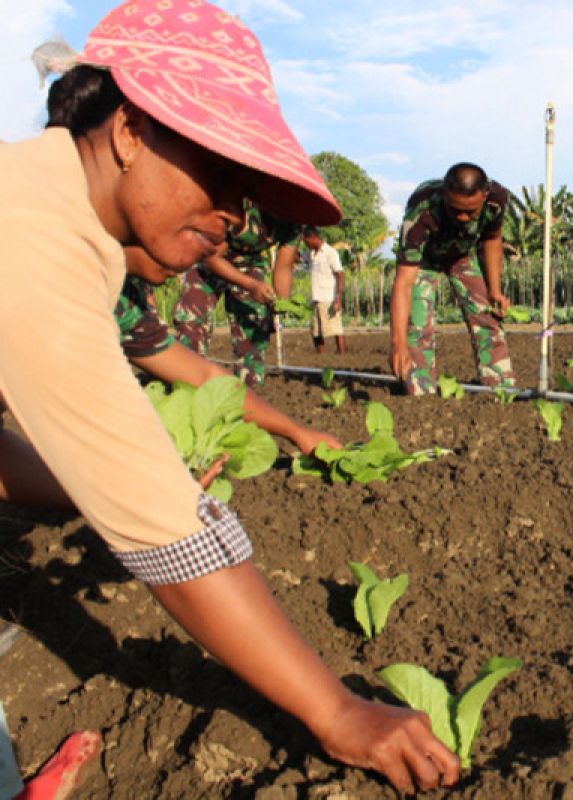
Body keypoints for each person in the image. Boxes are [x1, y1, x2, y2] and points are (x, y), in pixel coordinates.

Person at [2, 2, 459, 794]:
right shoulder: (32, 236)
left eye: (247, 193)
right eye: (223, 174)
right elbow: (166, 531)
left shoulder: (44, 210)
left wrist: (82, 488)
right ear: (130, 130)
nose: (234, 216)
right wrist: (339, 712)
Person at [120, 247, 343, 455]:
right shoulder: (105, 289)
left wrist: (296, 432)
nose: (188, 253)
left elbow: (205, 376)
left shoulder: (129, 311)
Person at [388, 163, 516, 394]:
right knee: (417, 327)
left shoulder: (497, 200)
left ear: (485, 196)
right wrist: (398, 343)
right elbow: (404, 282)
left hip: (463, 255)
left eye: (471, 212)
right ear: (445, 195)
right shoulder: (421, 212)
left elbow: (492, 239)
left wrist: (494, 290)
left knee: (488, 316)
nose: (464, 217)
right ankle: (420, 391)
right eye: (456, 210)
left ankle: (501, 390)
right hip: (424, 261)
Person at [172, 199, 300, 386]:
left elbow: (283, 268)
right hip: (208, 259)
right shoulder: (244, 207)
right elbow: (212, 258)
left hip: (249, 264)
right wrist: (251, 285)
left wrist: (281, 302)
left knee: (255, 324)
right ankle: (185, 386)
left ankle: (249, 392)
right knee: (191, 323)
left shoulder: (294, 224)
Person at [303, 226, 347, 354]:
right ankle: (320, 358)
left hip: (329, 297)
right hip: (316, 297)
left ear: (313, 238)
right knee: (316, 331)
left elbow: (340, 274)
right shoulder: (311, 254)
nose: (306, 245)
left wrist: (338, 298)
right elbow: (296, 257)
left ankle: (342, 356)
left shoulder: (330, 252)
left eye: (306, 241)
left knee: (336, 329)